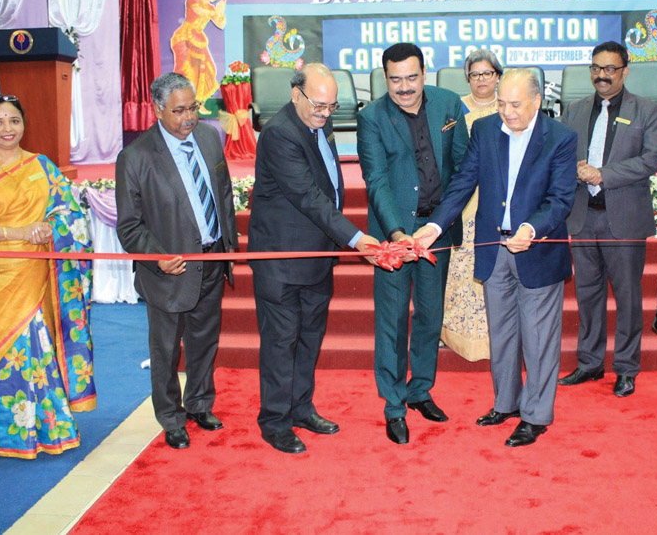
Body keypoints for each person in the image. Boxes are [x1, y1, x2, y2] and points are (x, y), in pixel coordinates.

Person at [414, 68, 577, 447]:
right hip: (493, 248)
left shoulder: (561, 138)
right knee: (501, 334)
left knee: (538, 339)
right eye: (502, 103)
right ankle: (506, 403)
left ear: (537, 101)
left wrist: (532, 230)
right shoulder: (485, 130)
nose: (507, 111)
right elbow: (462, 183)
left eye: (516, 104)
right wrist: (435, 227)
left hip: (536, 248)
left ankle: (535, 416)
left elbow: (560, 199)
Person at [247, 63, 380, 454]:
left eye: (332, 107)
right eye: (318, 105)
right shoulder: (279, 135)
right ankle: (275, 421)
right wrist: (357, 239)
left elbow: (329, 185)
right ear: (295, 94)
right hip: (282, 260)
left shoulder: (320, 123)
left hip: (318, 255)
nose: (325, 114)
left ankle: (301, 407)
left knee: (309, 339)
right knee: (281, 342)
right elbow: (307, 196)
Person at [0, 94, 95, 459]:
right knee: (3, 355)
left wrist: (50, 227)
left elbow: (68, 211)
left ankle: (50, 427)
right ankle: (7, 434)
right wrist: (17, 233)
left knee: (38, 347)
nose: (7, 129)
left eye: (13, 120)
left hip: (35, 272)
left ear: (23, 124)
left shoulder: (42, 166)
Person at [116, 72, 237, 450]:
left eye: (194, 107)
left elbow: (224, 192)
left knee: (204, 341)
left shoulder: (209, 137)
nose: (190, 117)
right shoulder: (135, 157)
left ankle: (199, 403)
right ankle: (170, 417)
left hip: (212, 260)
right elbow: (129, 225)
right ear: (157, 110)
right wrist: (157, 258)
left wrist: (227, 247)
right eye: (179, 110)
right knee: (166, 350)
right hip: (169, 273)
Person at [357, 42, 468, 444]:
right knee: (391, 321)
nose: (404, 87)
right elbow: (377, 180)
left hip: (437, 235)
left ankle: (420, 390)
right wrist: (396, 234)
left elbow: (461, 171)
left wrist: (438, 225)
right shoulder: (371, 117)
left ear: (425, 73)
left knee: (429, 316)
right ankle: (393, 405)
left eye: (412, 77)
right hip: (395, 240)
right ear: (383, 78)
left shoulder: (449, 104)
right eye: (395, 79)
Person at [559, 41, 657, 397]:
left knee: (628, 297)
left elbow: (651, 160)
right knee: (587, 296)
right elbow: (558, 156)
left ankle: (626, 367)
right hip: (582, 218)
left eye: (609, 69)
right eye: (596, 68)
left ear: (625, 71)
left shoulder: (647, 110)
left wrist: (602, 174)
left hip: (623, 219)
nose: (601, 76)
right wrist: (570, 169)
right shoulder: (572, 111)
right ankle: (589, 363)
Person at [440, 49, 502, 362]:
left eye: (487, 73)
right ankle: (452, 332)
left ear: (498, 76)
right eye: (475, 74)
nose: (481, 80)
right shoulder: (454, 108)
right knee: (460, 264)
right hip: (463, 196)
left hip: (497, 196)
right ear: (468, 78)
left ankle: (494, 334)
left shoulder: (508, 109)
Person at [170, 0, 227, 108]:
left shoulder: (212, 8)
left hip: (198, 39)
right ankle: (177, 103)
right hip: (184, 37)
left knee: (207, 69)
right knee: (185, 70)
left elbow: (221, 24)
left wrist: (221, 11)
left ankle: (198, 104)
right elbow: (198, 11)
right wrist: (214, 13)